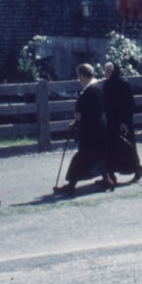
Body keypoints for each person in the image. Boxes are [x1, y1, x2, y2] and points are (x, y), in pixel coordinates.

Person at [54, 64, 112, 195]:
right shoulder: (95, 87)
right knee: (98, 155)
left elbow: (88, 112)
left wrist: (77, 120)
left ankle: (71, 185)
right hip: (98, 128)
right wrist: (76, 121)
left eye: (78, 76)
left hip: (92, 130)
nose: (78, 79)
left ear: (82, 75)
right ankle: (107, 179)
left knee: (81, 157)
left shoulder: (90, 90)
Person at [103, 62, 142, 183]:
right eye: (105, 71)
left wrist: (124, 122)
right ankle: (110, 174)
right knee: (110, 148)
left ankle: (137, 169)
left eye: (109, 71)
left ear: (114, 71)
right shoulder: (106, 85)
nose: (106, 74)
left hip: (122, 122)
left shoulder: (124, 84)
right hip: (110, 121)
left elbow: (129, 105)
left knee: (125, 148)